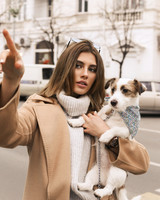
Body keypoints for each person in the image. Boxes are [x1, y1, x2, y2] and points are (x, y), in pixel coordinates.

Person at [0, 29, 149, 200]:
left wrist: (107, 135)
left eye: (92, 69)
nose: (85, 73)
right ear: (65, 68)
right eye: (78, 65)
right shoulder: (39, 107)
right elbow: (6, 135)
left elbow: (141, 163)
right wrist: (10, 81)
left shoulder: (103, 112)